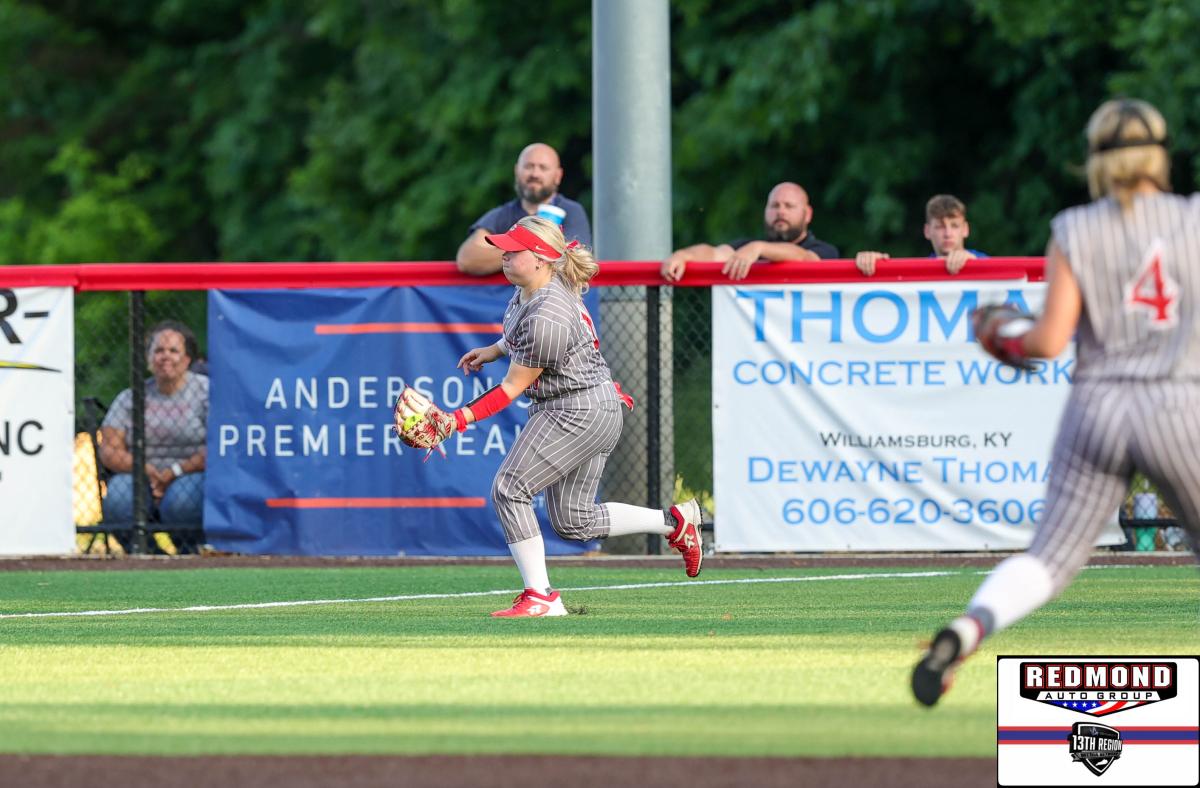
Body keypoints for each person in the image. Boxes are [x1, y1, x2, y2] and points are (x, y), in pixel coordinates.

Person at [912, 98, 1200, 706]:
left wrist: (1004, 333)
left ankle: (968, 629)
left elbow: (1045, 341)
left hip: (1097, 405)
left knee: (1049, 558)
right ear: (1160, 155)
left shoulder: (1075, 228)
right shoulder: (1193, 219)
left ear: (1094, 159)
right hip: (1176, 401)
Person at [420, 215, 703, 617]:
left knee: (510, 489)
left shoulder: (547, 314)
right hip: (589, 406)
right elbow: (518, 335)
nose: (503, 255)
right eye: (504, 248)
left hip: (576, 410)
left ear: (540, 258)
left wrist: (455, 421)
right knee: (574, 521)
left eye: (513, 250)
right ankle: (675, 522)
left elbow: (511, 388)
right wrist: (494, 350)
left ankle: (541, 597)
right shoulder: (533, 290)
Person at [99, 320, 208, 554]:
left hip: (191, 474)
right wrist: (145, 470)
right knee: (118, 500)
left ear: (187, 359)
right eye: (158, 350)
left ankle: (190, 555)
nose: (165, 356)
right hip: (140, 476)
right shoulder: (130, 397)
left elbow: (221, 445)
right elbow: (109, 450)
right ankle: (148, 556)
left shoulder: (206, 392)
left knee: (181, 502)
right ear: (149, 360)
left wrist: (175, 471)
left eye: (173, 350)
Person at [455, 143, 592, 275]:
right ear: (516, 171)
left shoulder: (571, 211)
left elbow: (576, 261)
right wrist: (537, 249)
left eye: (543, 168)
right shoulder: (502, 214)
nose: (535, 174)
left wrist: (508, 251)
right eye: (528, 166)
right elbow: (467, 259)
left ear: (558, 176)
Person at [661, 181, 839, 282]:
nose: (780, 212)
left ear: (808, 214)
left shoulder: (824, 250)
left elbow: (804, 258)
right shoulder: (746, 248)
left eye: (789, 206)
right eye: (774, 205)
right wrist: (684, 255)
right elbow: (714, 253)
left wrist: (759, 248)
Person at [854, 194, 988, 276]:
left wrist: (973, 263)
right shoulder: (918, 271)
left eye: (954, 226)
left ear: (965, 229)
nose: (948, 233)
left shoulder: (987, 263)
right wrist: (874, 265)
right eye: (940, 227)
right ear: (927, 231)